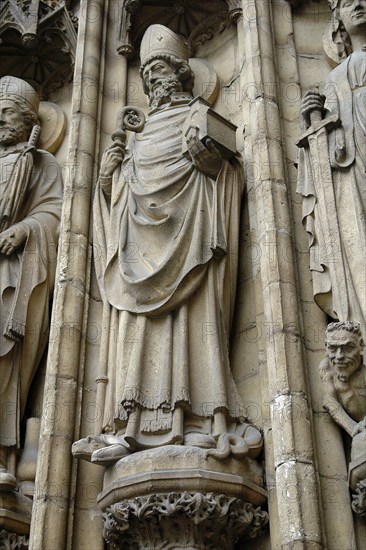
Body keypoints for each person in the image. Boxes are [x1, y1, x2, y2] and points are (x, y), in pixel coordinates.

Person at [73, 24, 262, 465]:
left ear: (181, 74)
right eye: (149, 73)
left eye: (162, 69)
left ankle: (197, 421)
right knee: (138, 331)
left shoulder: (198, 115)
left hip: (191, 244)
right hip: (141, 252)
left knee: (194, 329)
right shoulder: (137, 135)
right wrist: (111, 176)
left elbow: (227, 173)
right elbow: (124, 195)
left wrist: (206, 157)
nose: (155, 79)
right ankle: (129, 427)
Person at [0, 76, 63, 489]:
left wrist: (25, 230)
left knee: (4, 359)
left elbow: (56, 216)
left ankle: (2, 453)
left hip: (11, 273)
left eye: (6, 113)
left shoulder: (43, 165)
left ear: (26, 121)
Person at [297, 0, 366, 334]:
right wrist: (315, 124)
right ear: (337, 19)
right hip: (354, 173)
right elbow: (329, 144)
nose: (360, 6)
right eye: (350, 3)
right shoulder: (335, 78)